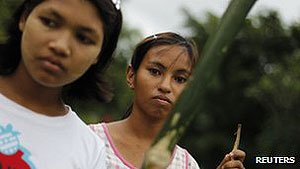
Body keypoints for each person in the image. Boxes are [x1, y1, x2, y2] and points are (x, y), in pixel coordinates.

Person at [90, 32, 246, 169]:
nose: (165, 86)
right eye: (155, 71)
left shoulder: (187, 164)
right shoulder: (89, 140)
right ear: (131, 76)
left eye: (179, 79)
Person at [0, 0, 122, 168]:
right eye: (49, 22)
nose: (60, 46)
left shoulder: (90, 150)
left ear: (99, 55)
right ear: (24, 17)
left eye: (83, 38)